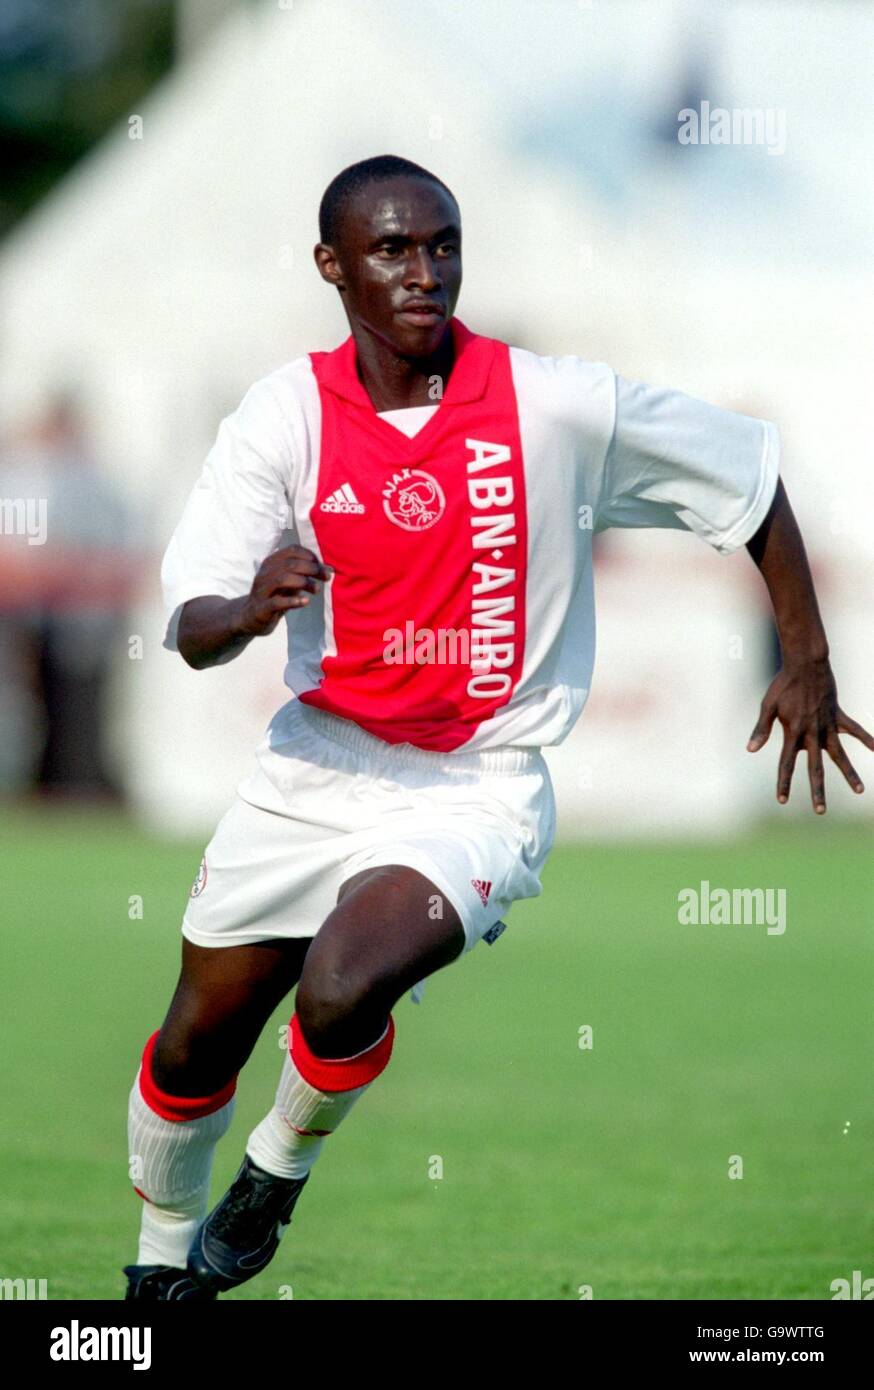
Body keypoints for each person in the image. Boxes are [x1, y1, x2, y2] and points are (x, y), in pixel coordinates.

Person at [123, 155, 872, 1300]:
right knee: (190, 1047)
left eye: (444, 246)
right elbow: (191, 625)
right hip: (314, 768)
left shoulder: (550, 402)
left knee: (343, 980)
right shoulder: (284, 413)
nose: (425, 273)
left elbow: (748, 475)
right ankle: (154, 1278)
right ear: (333, 267)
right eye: (392, 250)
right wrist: (248, 602)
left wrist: (806, 660)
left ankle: (272, 1175)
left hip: (475, 784)